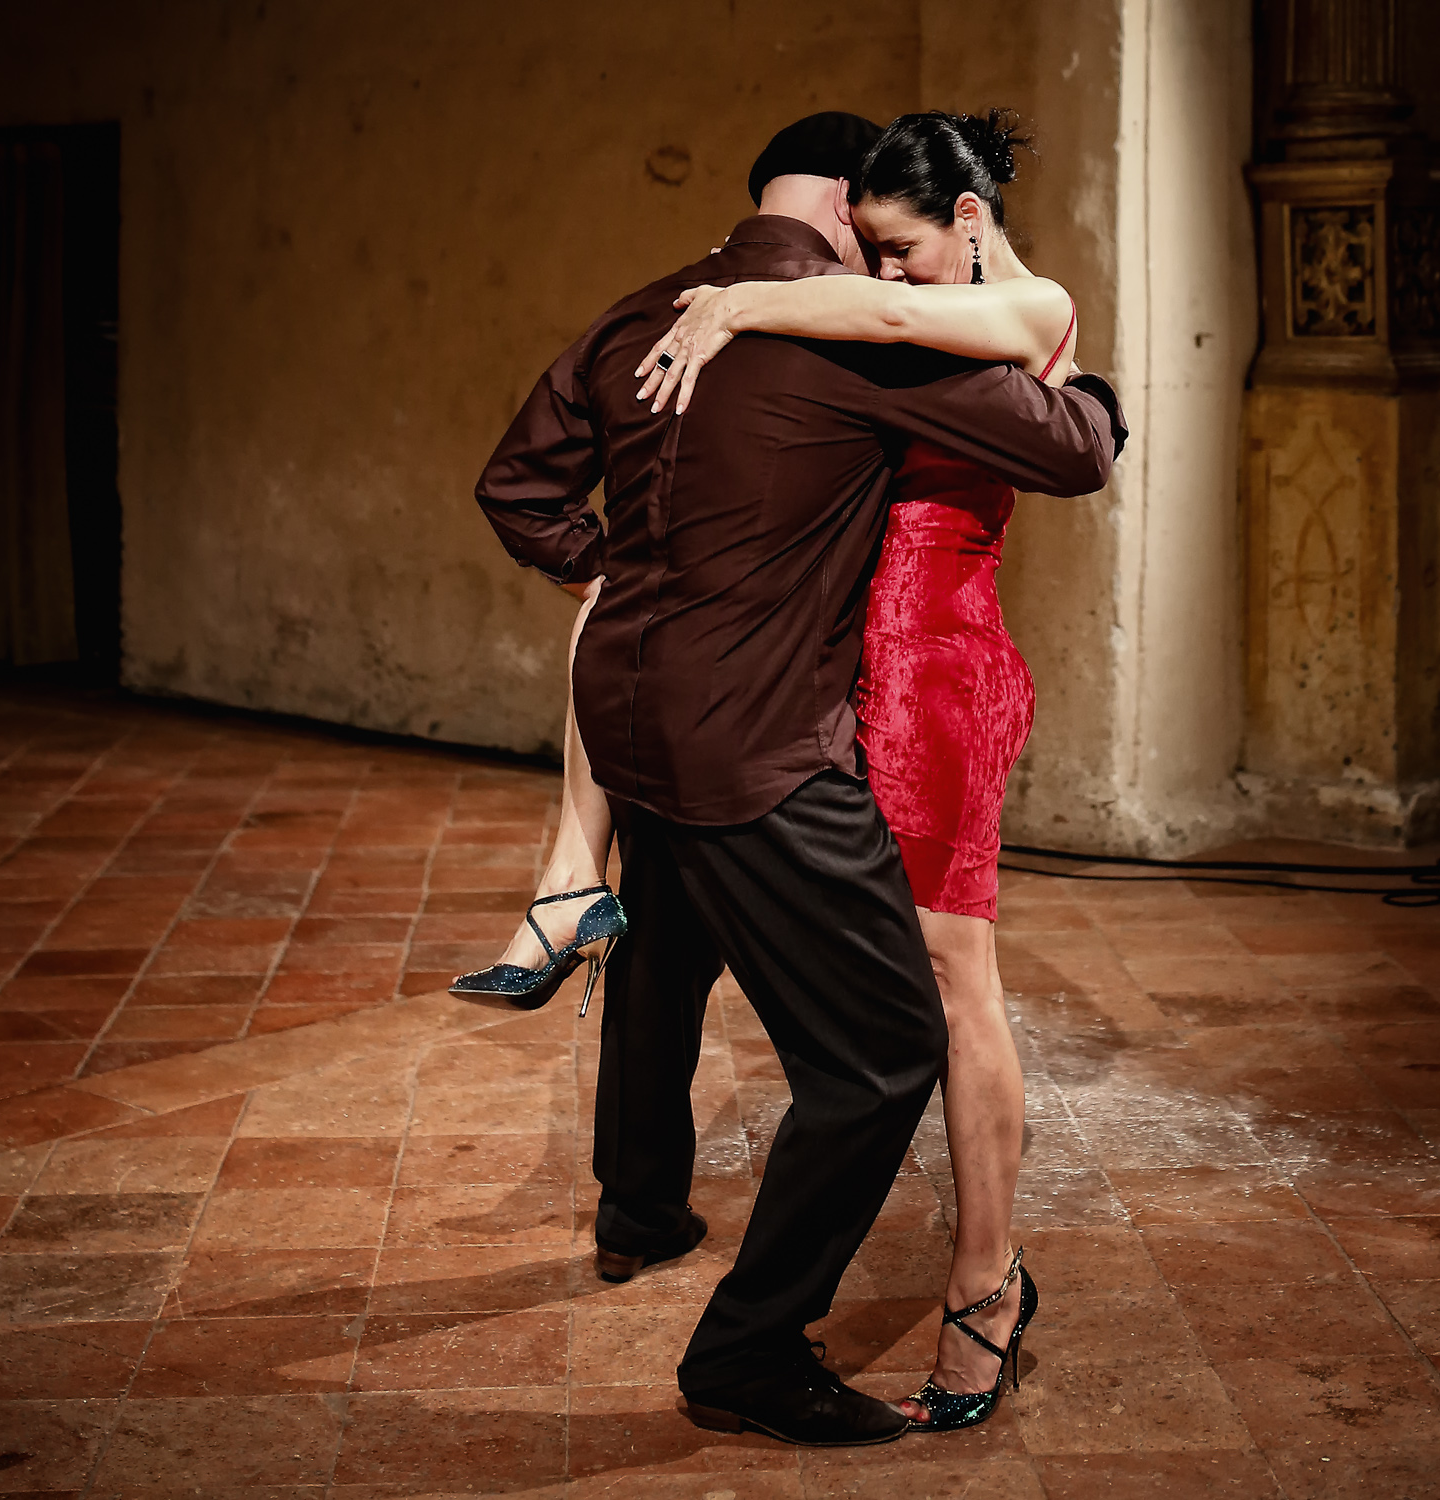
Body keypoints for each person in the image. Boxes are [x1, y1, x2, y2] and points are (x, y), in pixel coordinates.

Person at [466, 111, 1126, 1446]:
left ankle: (639, 1201)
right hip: (757, 727)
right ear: (840, 209)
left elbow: (518, 488)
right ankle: (749, 1353)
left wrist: (624, 581)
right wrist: (1100, 403)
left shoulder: (645, 316)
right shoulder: (839, 333)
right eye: (868, 234)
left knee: (667, 944)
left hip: (645, 711)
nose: (880, 263)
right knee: (885, 1044)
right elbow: (1070, 447)